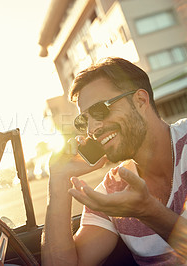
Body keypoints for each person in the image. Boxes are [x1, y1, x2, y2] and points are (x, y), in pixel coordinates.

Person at [41, 57, 187, 265]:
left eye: (100, 110)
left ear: (140, 101)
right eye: (84, 120)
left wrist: (149, 212)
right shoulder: (111, 192)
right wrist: (58, 178)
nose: (92, 129)